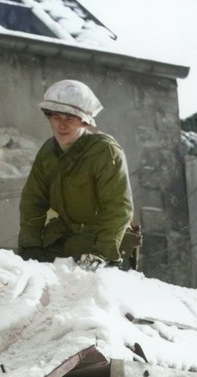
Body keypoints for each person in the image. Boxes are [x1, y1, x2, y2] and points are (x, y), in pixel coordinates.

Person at [17, 79, 135, 265]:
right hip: (64, 239)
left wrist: (102, 254)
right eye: (56, 117)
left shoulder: (104, 152)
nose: (61, 125)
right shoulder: (48, 152)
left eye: (70, 119)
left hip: (105, 241)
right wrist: (31, 245)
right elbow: (32, 202)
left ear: (85, 122)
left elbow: (119, 208)